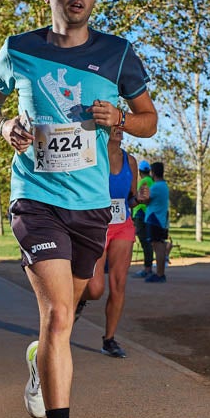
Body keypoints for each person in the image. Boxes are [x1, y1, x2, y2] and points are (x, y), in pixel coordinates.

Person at [0, 0, 157, 418]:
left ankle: (38, 363)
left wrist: (121, 116)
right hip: (35, 198)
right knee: (58, 314)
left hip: (91, 206)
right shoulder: (18, 50)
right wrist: (2, 127)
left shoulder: (119, 54)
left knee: (73, 307)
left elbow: (148, 120)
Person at [75, 127, 143, 358]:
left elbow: (131, 199)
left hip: (122, 226)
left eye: (120, 126)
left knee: (118, 284)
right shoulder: (91, 158)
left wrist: (139, 198)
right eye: (113, 127)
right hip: (97, 227)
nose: (118, 130)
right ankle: (80, 301)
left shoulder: (130, 162)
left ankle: (109, 339)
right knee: (95, 289)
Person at [142, 161, 169, 282]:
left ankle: (159, 274)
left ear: (153, 172)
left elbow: (145, 200)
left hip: (154, 219)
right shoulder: (164, 186)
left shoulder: (155, 187)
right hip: (161, 219)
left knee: (157, 247)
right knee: (161, 246)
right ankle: (161, 273)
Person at [131, 160, 153, 278]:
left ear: (139, 171)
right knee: (146, 242)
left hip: (140, 213)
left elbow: (140, 197)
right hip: (145, 213)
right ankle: (148, 267)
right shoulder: (151, 181)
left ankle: (147, 268)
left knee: (145, 242)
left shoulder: (144, 181)